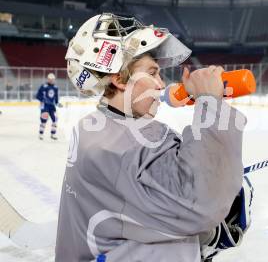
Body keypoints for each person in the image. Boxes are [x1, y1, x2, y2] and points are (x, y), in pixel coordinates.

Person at [55, 13, 251, 262]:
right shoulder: (123, 147)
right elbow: (202, 201)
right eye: (153, 72)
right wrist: (210, 104)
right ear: (119, 79)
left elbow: (136, 211)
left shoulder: (96, 127)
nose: (161, 84)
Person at [36, 73, 60, 140]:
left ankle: (53, 134)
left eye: (53, 79)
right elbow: (38, 96)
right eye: (50, 79)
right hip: (44, 106)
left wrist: (57, 103)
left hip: (52, 106)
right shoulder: (43, 86)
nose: (51, 80)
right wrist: (43, 100)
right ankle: (41, 134)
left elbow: (56, 97)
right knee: (44, 119)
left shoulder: (55, 87)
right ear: (48, 79)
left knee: (55, 119)